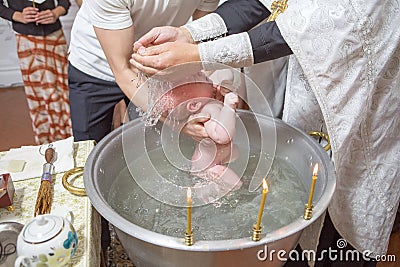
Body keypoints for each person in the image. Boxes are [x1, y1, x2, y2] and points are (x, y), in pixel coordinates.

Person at [130, 0, 400, 266]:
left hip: (357, 89)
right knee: (298, 205)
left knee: (341, 213)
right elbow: (266, 2)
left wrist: (198, 54)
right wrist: (190, 33)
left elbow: (305, 28)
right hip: (304, 88)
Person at [69, 0, 220, 143]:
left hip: (159, 64)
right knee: (89, 145)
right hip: (95, 64)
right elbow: (124, 70)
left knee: (156, 143)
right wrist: (176, 123)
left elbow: (201, 39)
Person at [154, 72, 242, 195]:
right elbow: (222, 136)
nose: (199, 72)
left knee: (235, 154)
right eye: (195, 78)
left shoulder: (206, 105)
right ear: (194, 105)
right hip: (209, 169)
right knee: (237, 186)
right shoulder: (207, 110)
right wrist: (228, 107)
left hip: (208, 162)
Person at [0, 0, 72, 144]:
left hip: (55, 37)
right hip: (27, 40)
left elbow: (65, 3)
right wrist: (17, 15)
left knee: (64, 88)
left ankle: (70, 137)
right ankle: (47, 141)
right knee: (38, 93)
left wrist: (55, 13)